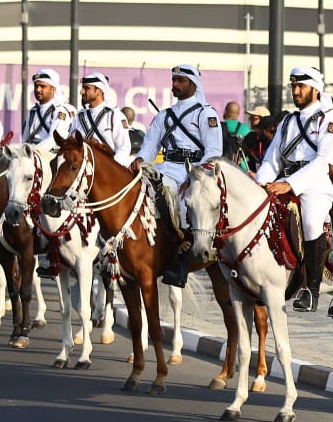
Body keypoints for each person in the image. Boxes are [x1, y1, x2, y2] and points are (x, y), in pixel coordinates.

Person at [253, 66, 333, 312]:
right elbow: (273, 159)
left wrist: (290, 184)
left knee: (310, 222)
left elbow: (324, 161)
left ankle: (311, 289)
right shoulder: (288, 121)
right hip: (285, 181)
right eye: (293, 86)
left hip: (318, 184)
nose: (295, 91)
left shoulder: (330, 119)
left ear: (315, 90)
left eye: (300, 87)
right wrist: (261, 183)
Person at [132, 64, 221, 287]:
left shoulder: (205, 113)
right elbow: (150, 145)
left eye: (181, 81)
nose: (175, 85)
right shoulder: (164, 115)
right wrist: (141, 160)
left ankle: (180, 261)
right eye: (174, 81)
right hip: (166, 167)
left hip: (194, 171)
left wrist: (196, 178)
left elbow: (212, 152)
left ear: (193, 84)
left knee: (181, 205)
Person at [75, 73, 132, 158]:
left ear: (99, 91)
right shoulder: (79, 117)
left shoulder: (114, 116)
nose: (81, 92)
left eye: (86, 88)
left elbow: (124, 149)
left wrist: (111, 168)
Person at [20, 69, 76, 147]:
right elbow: (25, 139)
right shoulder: (33, 111)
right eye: (36, 86)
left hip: (49, 155)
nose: (38, 89)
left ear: (53, 89)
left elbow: (53, 140)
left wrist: (33, 152)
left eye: (42, 86)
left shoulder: (60, 111)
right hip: (31, 154)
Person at [220, 100, 251, 170]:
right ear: (238, 113)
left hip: (222, 167)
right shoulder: (246, 129)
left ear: (225, 112)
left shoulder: (219, 127)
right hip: (242, 168)